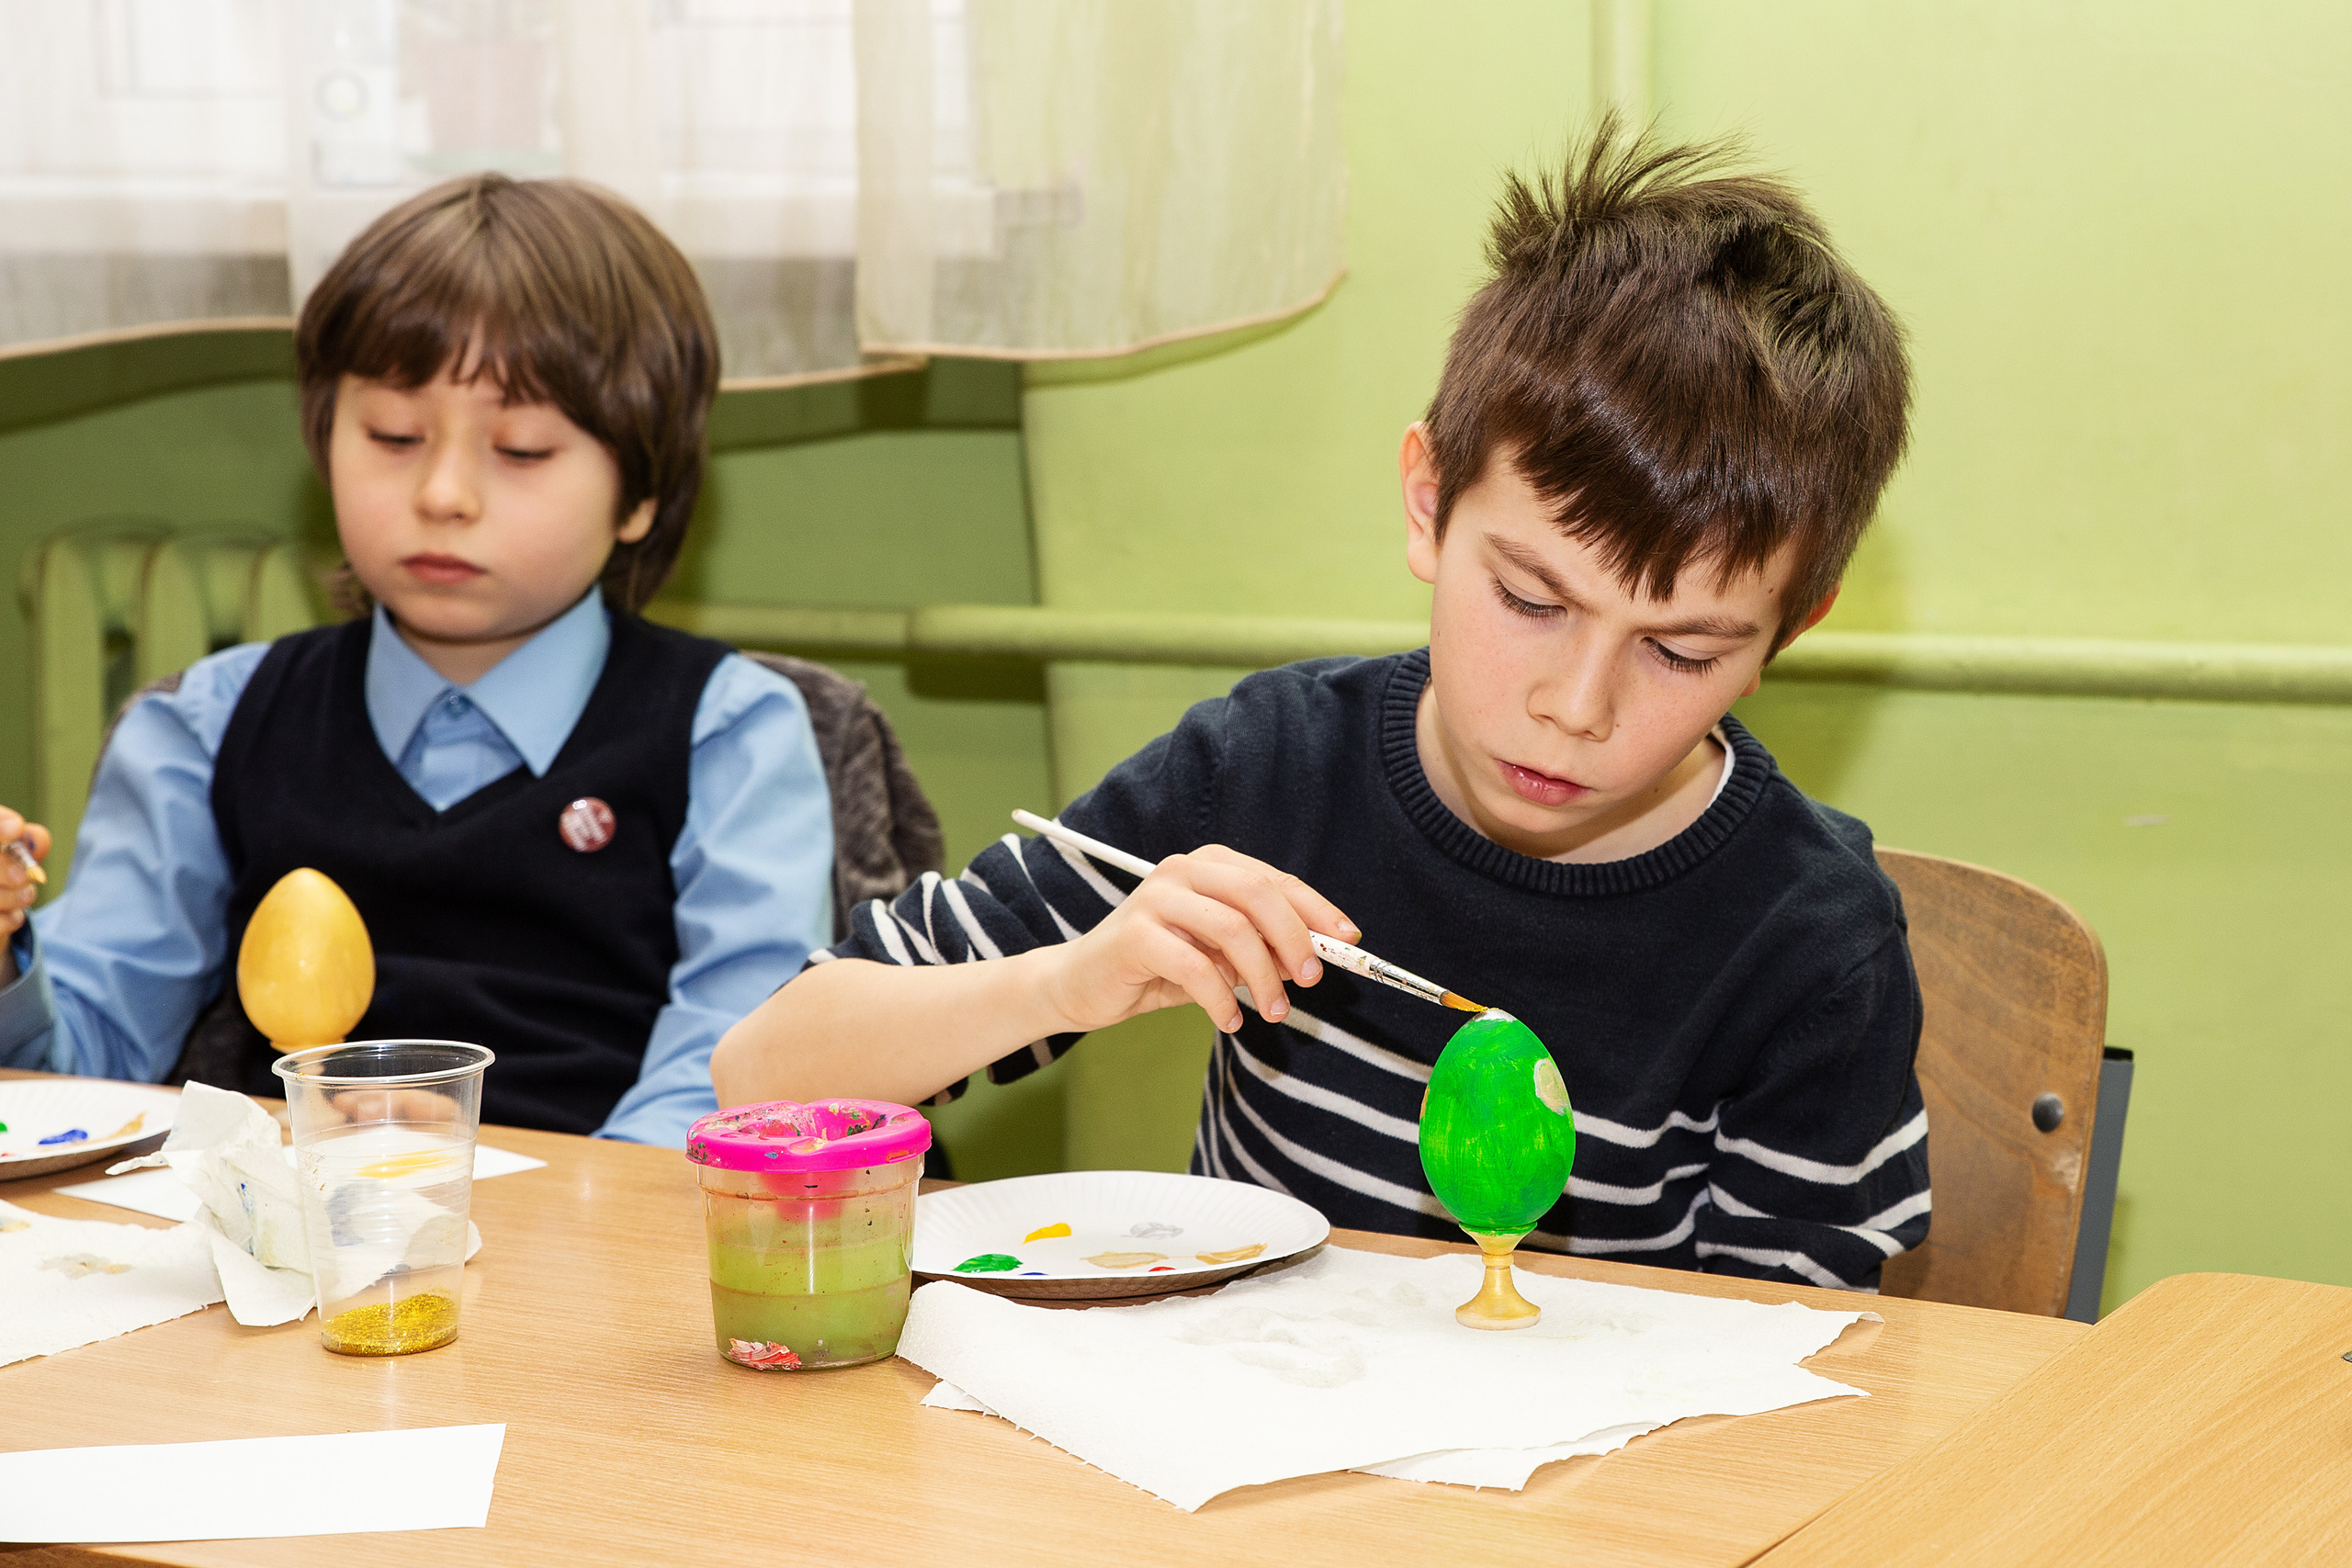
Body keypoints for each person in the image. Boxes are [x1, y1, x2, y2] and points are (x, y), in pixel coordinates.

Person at [710, 123, 1929, 1290]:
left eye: (1679, 649)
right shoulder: (1268, 769)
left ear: (1788, 630)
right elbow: (758, 1073)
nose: (1574, 705)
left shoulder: (1810, 941)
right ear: (1427, 500)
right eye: (1529, 597)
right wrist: (1068, 980)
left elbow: (1810, 1381)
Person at [0, 175, 834, 1145]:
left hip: (609, 1253)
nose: (443, 494)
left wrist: (511, 1197)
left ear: (640, 494)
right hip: (305, 1256)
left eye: (520, 450)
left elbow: (734, 1075)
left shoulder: (727, 733)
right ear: (323, 442)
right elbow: (76, 1078)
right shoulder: (206, 725)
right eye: (394, 437)